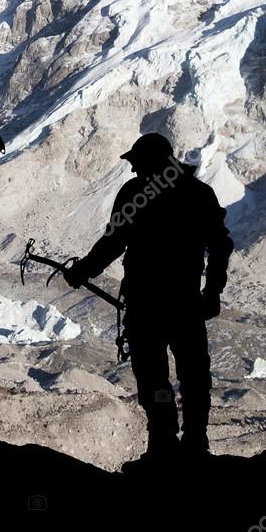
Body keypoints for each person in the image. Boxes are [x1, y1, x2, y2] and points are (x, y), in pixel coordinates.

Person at [63, 132, 233, 462]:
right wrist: (211, 292)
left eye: (137, 163)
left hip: (146, 306)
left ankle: (163, 444)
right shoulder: (198, 194)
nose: (133, 170)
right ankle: (194, 442)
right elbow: (220, 247)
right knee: (193, 376)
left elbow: (113, 243)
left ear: (150, 161)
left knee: (155, 377)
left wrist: (82, 270)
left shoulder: (136, 194)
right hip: (184, 305)